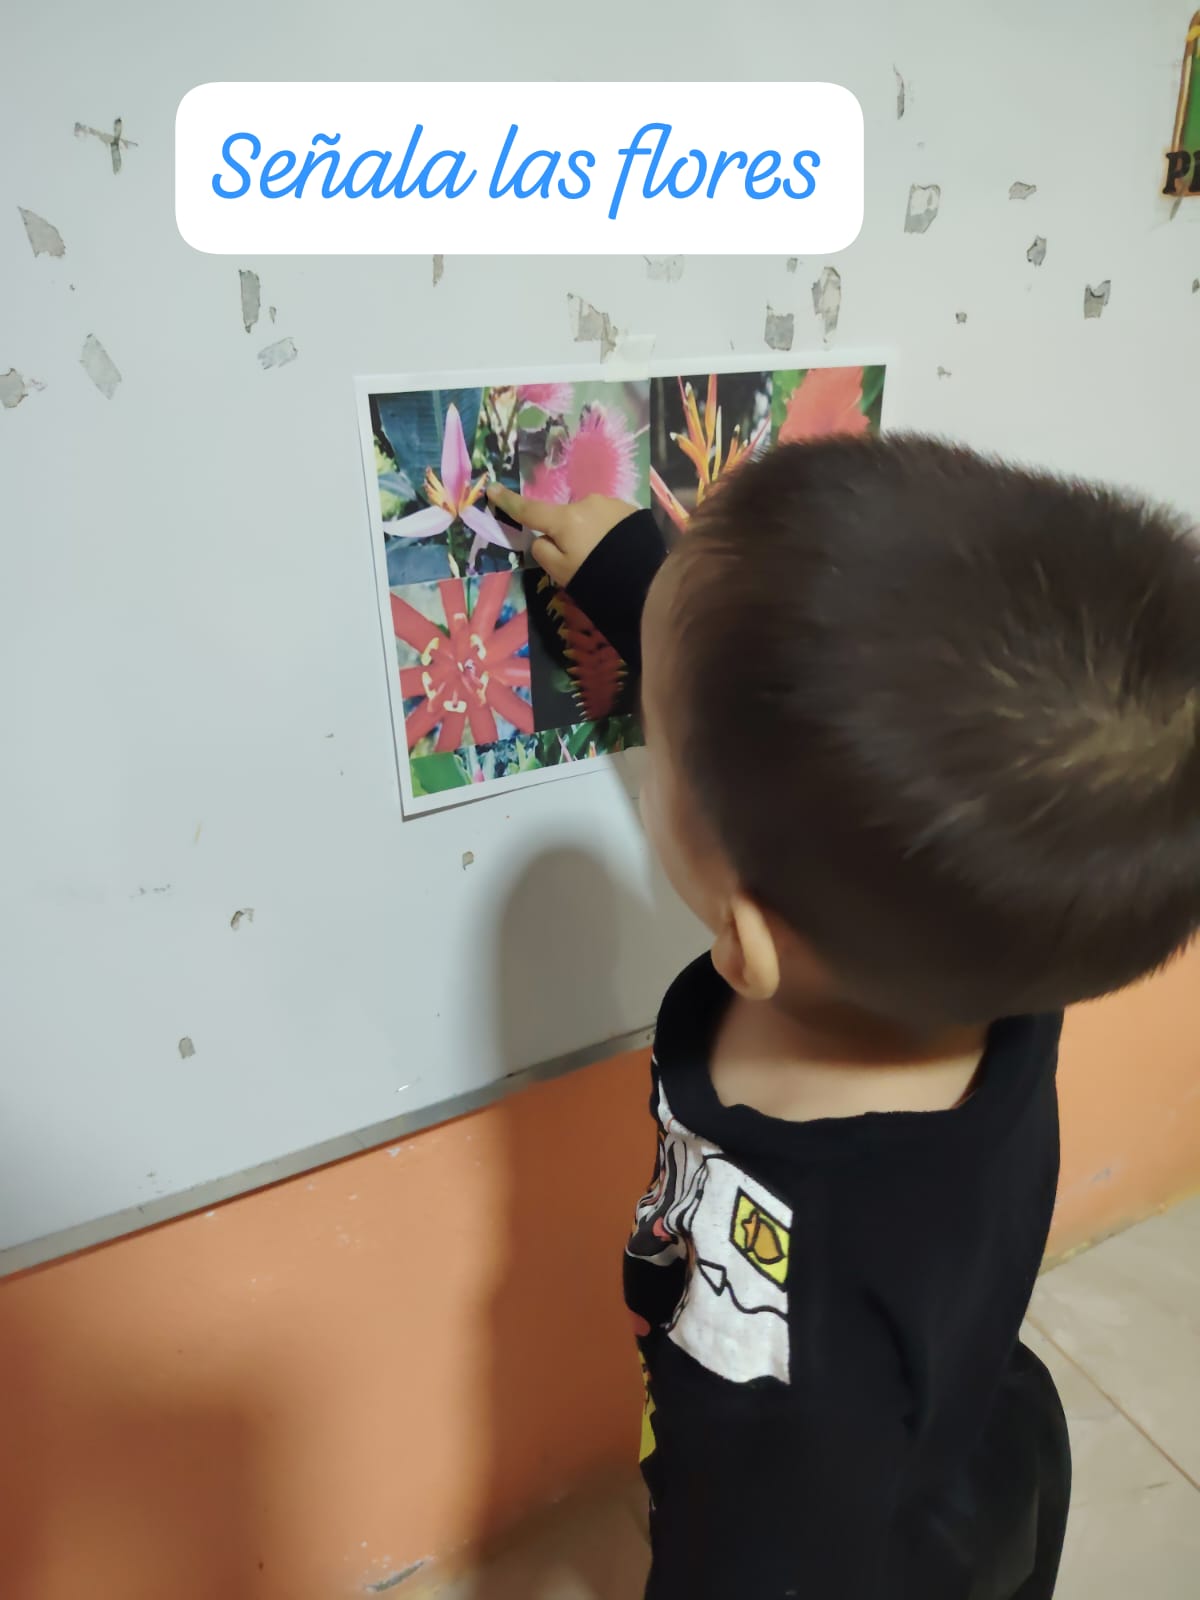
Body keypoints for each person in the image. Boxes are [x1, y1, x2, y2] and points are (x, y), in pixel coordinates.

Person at [486, 433, 1200, 1600]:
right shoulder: (993, 943)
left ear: (746, 938)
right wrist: (642, 580)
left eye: (661, 741)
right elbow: (825, 739)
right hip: (980, 1430)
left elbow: (752, 1557)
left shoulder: (775, 1333)